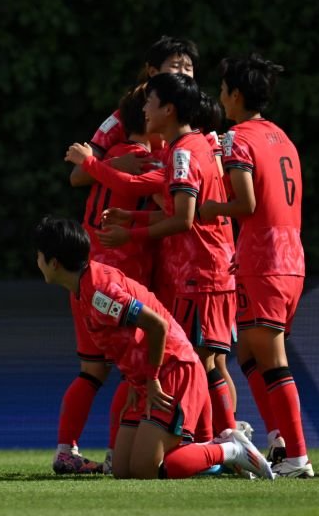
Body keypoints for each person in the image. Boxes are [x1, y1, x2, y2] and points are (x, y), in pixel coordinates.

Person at [34, 216, 273, 480]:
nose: (37, 261)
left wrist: (152, 378)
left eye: (39, 256)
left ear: (53, 262)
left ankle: (229, 449)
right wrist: (138, 381)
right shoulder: (84, 289)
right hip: (149, 381)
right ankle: (208, 455)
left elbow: (157, 325)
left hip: (173, 370)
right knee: (124, 471)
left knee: (147, 469)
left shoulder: (99, 293)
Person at [100, 73, 239, 444]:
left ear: (169, 109)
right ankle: (219, 441)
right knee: (205, 363)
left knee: (197, 364)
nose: (144, 108)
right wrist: (133, 217)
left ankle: (221, 444)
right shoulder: (197, 145)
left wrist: (130, 233)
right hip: (206, 272)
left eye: (151, 101)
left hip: (200, 274)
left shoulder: (183, 151)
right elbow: (178, 212)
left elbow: (183, 219)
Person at [199, 54, 311, 477]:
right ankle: (279, 440)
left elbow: (244, 203)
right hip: (289, 256)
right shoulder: (281, 137)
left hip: (264, 260)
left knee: (271, 355)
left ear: (236, 94)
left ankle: (298, 456)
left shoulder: (235, 139)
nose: (220, 97)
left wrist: (208, 208)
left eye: (224, 89)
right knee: (248, 350)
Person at [54, 85, 161, 475]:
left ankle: (66, 450)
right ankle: (119, 452)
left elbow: (82, 175)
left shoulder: (111, 156)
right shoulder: (149, 161)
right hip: (119, 277)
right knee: (134, 369)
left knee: (91, 370)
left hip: (87, 275)